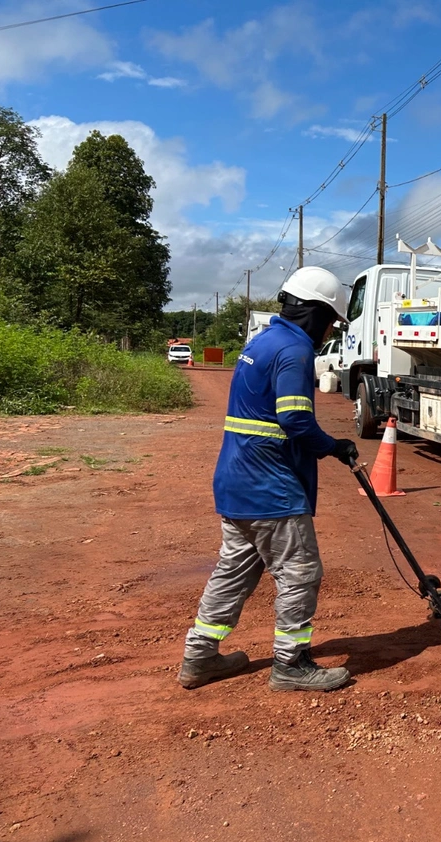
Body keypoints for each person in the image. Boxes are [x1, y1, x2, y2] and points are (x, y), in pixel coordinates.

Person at [178, 267, 359, 691]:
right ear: (315, 313)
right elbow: (295, 419)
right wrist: (334, 446)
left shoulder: (260, 342)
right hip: (270, 488)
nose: (330, 329)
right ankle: (291, 665)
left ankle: (199, 659)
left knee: (233, 573)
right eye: (331, 320)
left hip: (236, 482)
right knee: (300, 573)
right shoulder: (294, 351)